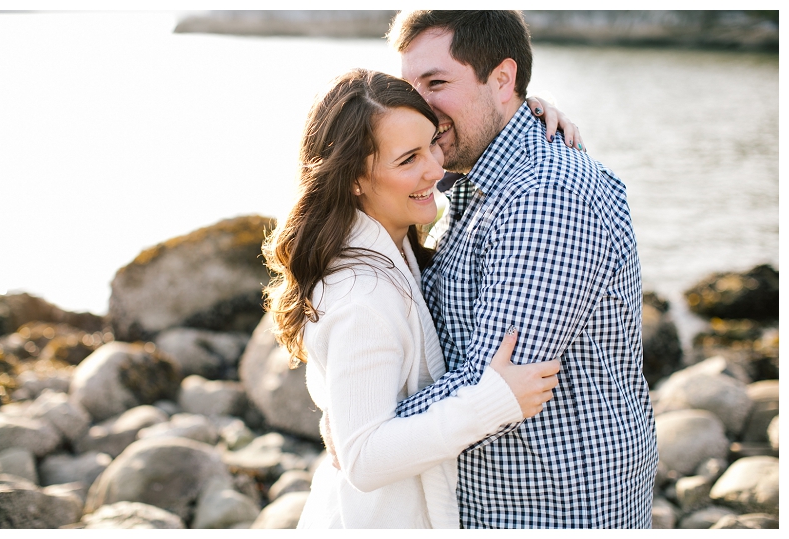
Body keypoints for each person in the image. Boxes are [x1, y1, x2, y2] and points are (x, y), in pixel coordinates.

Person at [386, 10, 659, 528]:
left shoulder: (545, 196)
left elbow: (494, 390)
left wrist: (372, 435)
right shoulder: (473, 180)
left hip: (550, 511)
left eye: (436, 82)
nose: (417, 105)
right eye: (407, 86)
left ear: (504, 78)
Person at [261, 69, 568, 528]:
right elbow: (363, 458)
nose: (436, 169)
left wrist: (529, 113)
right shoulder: (359, 296)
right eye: (408, 160)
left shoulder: (394, 245)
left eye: (433, 143)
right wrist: (492, 402)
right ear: (354, 180)